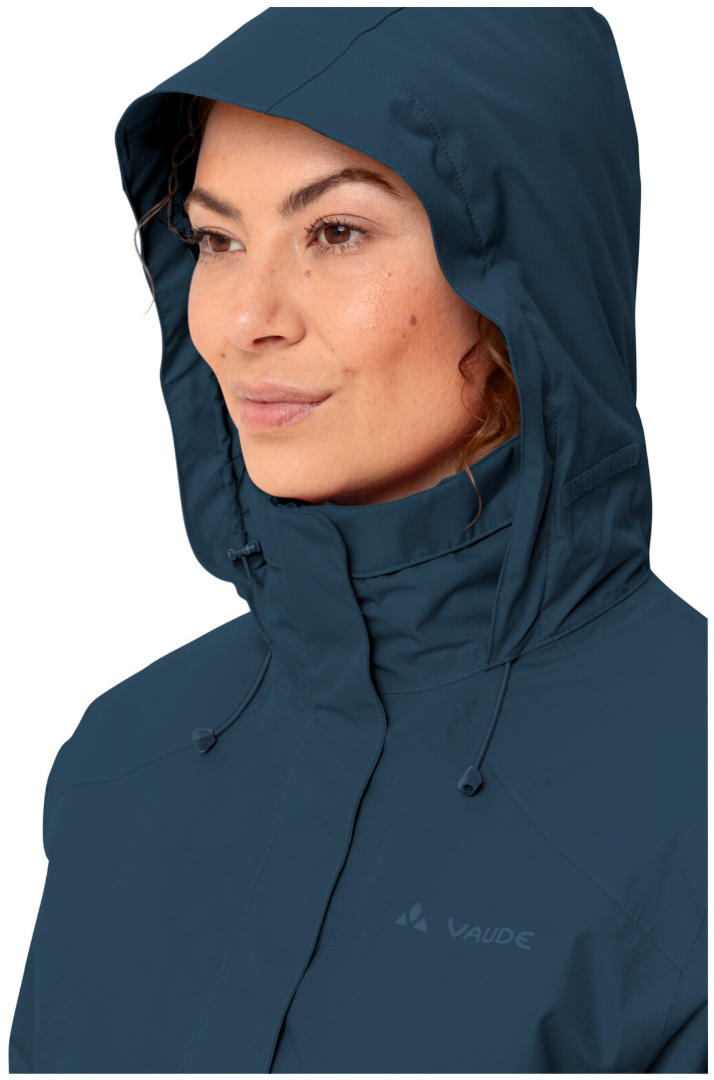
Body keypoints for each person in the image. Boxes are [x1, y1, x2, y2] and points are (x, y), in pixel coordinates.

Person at [8, 7, 707, 1074]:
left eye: (334, 233)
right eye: (217, 239)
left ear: (523, 273)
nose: (244, 320)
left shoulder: (689, 803)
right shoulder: (121, 763)